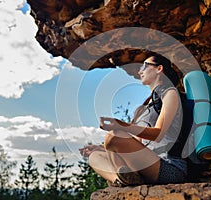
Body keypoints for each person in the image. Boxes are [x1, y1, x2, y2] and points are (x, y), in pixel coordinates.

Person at [79, 54, 187, 186]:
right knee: (94, 156)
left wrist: (121, 126)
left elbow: (158, 134)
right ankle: (121, 180)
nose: (139, 71)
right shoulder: (142, 109)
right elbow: (136, 143)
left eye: (145, 66)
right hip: (142, 165)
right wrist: (101, 147)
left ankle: (125, 179)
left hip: (168, 167)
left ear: (159, 69)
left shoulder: (170, 93)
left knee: (114, 135)